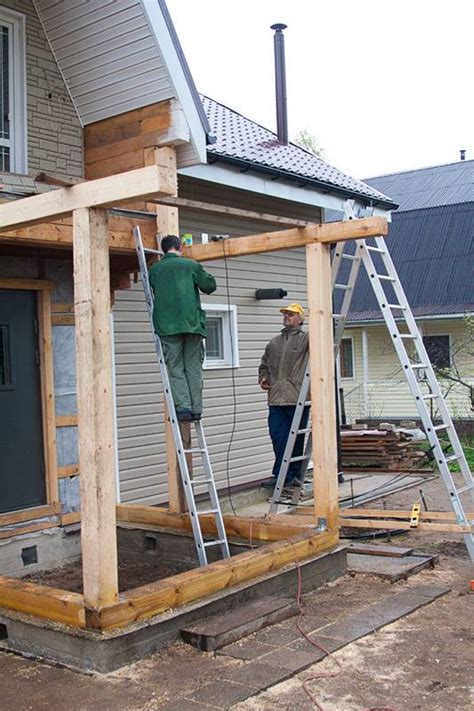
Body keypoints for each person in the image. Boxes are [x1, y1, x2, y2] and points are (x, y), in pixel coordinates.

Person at [148, 234, 217, 422]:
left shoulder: (154, 270)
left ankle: (184, 409)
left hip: (167, 327)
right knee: (193, 367)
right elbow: (210, 286)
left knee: (176, 368)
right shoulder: (191, 265)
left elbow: (153, 287)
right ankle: (196, 409)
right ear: (180, 247)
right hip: (191, 324)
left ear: (164, 249)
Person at [258, 303, 309, 491]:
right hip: (276, 399)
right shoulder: (274, 343)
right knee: (278, 436)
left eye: (292, 314)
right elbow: (264, 365)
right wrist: (263, 378)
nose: (287, 316)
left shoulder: (306, 340)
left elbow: (323, 347)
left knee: (295, 439)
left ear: (300, 319)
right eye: (285, 313)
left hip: (298, 398)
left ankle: (292, 475)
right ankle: (282, 475)